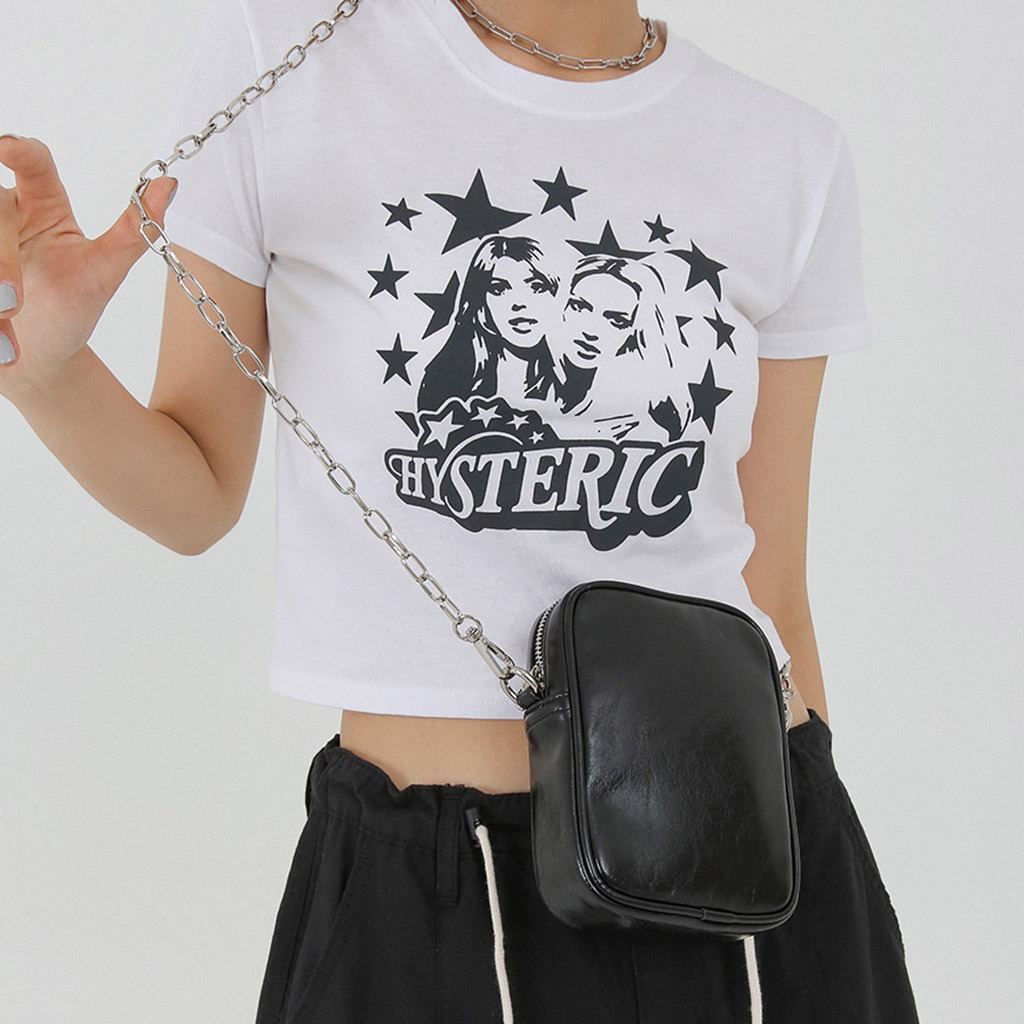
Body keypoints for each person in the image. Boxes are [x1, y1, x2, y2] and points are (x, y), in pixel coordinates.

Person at [0, 0, 920, 1021]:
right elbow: (197, 496)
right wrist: (48, 374)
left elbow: (771, 589)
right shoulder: (283, 58)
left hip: (737, 867)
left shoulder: (787, 151)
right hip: (425, 888)